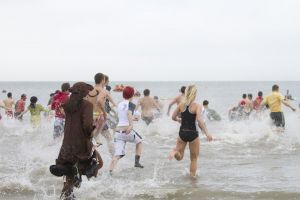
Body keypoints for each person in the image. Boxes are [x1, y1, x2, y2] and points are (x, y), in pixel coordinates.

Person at [49, 82, 103, 200]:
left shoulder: (67, 104)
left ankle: (69, 191)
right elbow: (87, 127)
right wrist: (96, 124)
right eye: (87, 93)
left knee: (69, 175)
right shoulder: (87, 105)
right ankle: (76, 181)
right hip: (81, 145)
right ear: (84, 93)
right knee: (99, 163)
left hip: (67, 145)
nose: (88, 95)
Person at [168, 85, 213, 177]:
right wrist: (207, 133)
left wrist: (178, 120)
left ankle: (175, 152)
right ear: (194, 94)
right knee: (193, 159)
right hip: (193, 134)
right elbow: (200, 121)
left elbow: (173, 117)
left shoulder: (181, 105)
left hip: (182, 133)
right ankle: (192, 179)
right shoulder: (197, 106)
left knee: (180, 157)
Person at [109, 86, 144, 174]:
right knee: (139, 141)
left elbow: (125, 115)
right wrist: (131, 125)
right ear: (132, 95)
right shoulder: (131, 104)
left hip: (118, 132)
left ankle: (110, 172)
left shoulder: (120, 104)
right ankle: (136, 162)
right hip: (127, 131)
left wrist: (133, 118)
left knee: (117, 155)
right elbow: (129, 113)